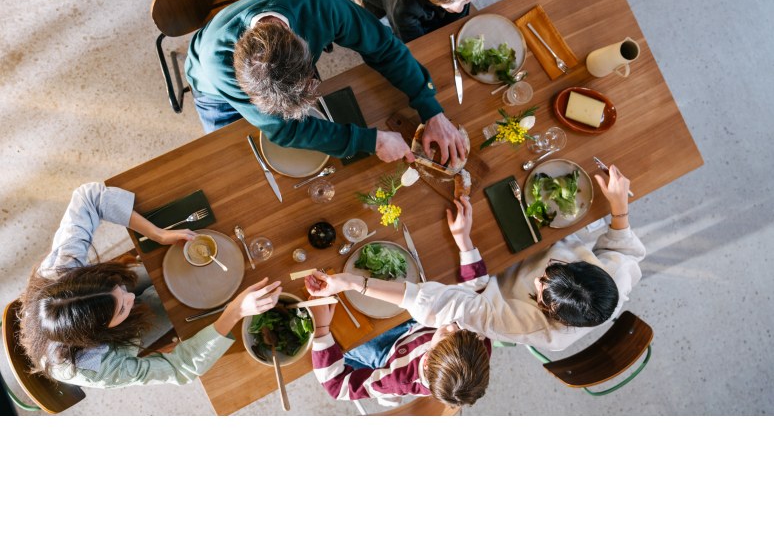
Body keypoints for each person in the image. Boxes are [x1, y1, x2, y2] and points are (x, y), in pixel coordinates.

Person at [307, 165, 645, 352]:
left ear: (550, 312)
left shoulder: (520, 326)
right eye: (555, 270)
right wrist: (619, 208)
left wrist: (351, 282)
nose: (542, 277)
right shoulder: (612, 283)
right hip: (528, 240)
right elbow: (624, 249)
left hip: (491, 274)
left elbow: (450, 300)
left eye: (541, 287)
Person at [18, 182, 281, 388]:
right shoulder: (100, 369)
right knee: (184, 302)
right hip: (114, 345)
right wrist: (235, 311)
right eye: (122, 309)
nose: (131, 298)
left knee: (173, 282)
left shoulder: (59, 271)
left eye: (118, 287)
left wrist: (157, 233)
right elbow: (181, 367)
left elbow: (88, 196)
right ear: (99, 334)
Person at [184, 0, 466, 165]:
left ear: (305, 45)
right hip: (215, 97)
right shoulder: (218, 61)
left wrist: (431, 109)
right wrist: (371, 140)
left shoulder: (320, 6)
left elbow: (384, 47)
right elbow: (285, 129)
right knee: (238, 164)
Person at [303, 284, 491, 410]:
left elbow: (337, 386)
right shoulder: (479, 346)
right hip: (413, 326)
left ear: (426, 360)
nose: (453, 325)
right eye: (462, 331)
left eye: (446, 334)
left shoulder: (399, 378)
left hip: (387, 351)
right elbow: (479, 297)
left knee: (342, 333)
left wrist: (321, 329)